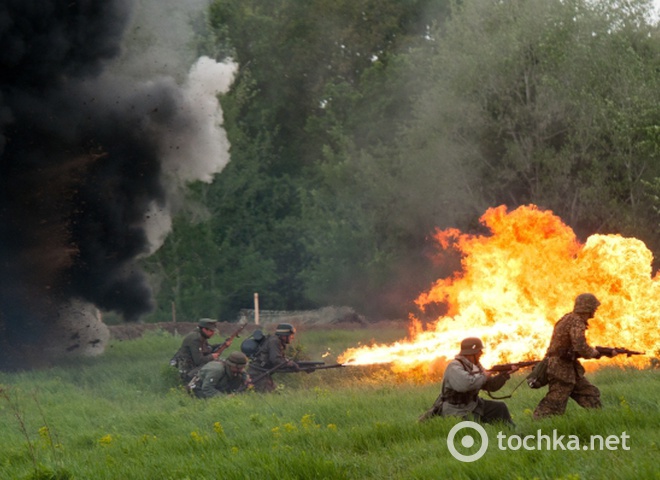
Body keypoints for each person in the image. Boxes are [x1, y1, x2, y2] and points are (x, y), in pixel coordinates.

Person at [533, 293, 614, 419]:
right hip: (561, 369)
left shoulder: (567, 318)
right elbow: (580, 346)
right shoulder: (576, 322)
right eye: (594, 308)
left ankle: (602, 420)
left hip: (568, 368)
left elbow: (571, 348)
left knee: (589, 394)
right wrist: (595, 353)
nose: (595, 311)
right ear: (588, 307)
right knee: (554, 403)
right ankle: (536, 429)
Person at [419, 337, 517, 426]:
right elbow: (465, 385)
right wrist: (484, 376)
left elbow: (490, 386)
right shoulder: (454, 366)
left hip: (472, 405)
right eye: (479, 351)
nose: (481, 354)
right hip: (456, 410)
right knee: (476, 430)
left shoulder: (476, 366)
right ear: (471, 352)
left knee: (500, 408)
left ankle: (512, 433)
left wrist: (504, 375)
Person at [247, 323, 300, 392]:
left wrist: (302, 366)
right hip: (258, 373)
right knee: (270, 395)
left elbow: (280, 360)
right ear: (284, 335)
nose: (292, 337)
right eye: (291, 335)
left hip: (262, 372)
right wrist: (290, 364)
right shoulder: (274, 341)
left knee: (276, 393)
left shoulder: (275, 340)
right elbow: (276, 360)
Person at [172, 318, 225, 383]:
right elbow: (199, 361)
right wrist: (212, 357)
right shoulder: (195, 338)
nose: (213, 333)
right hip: (188, 371)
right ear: (204, 329)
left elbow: (208, 348)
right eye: (211, 331)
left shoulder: (201, 336)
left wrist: (223, 344)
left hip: (192, 367)